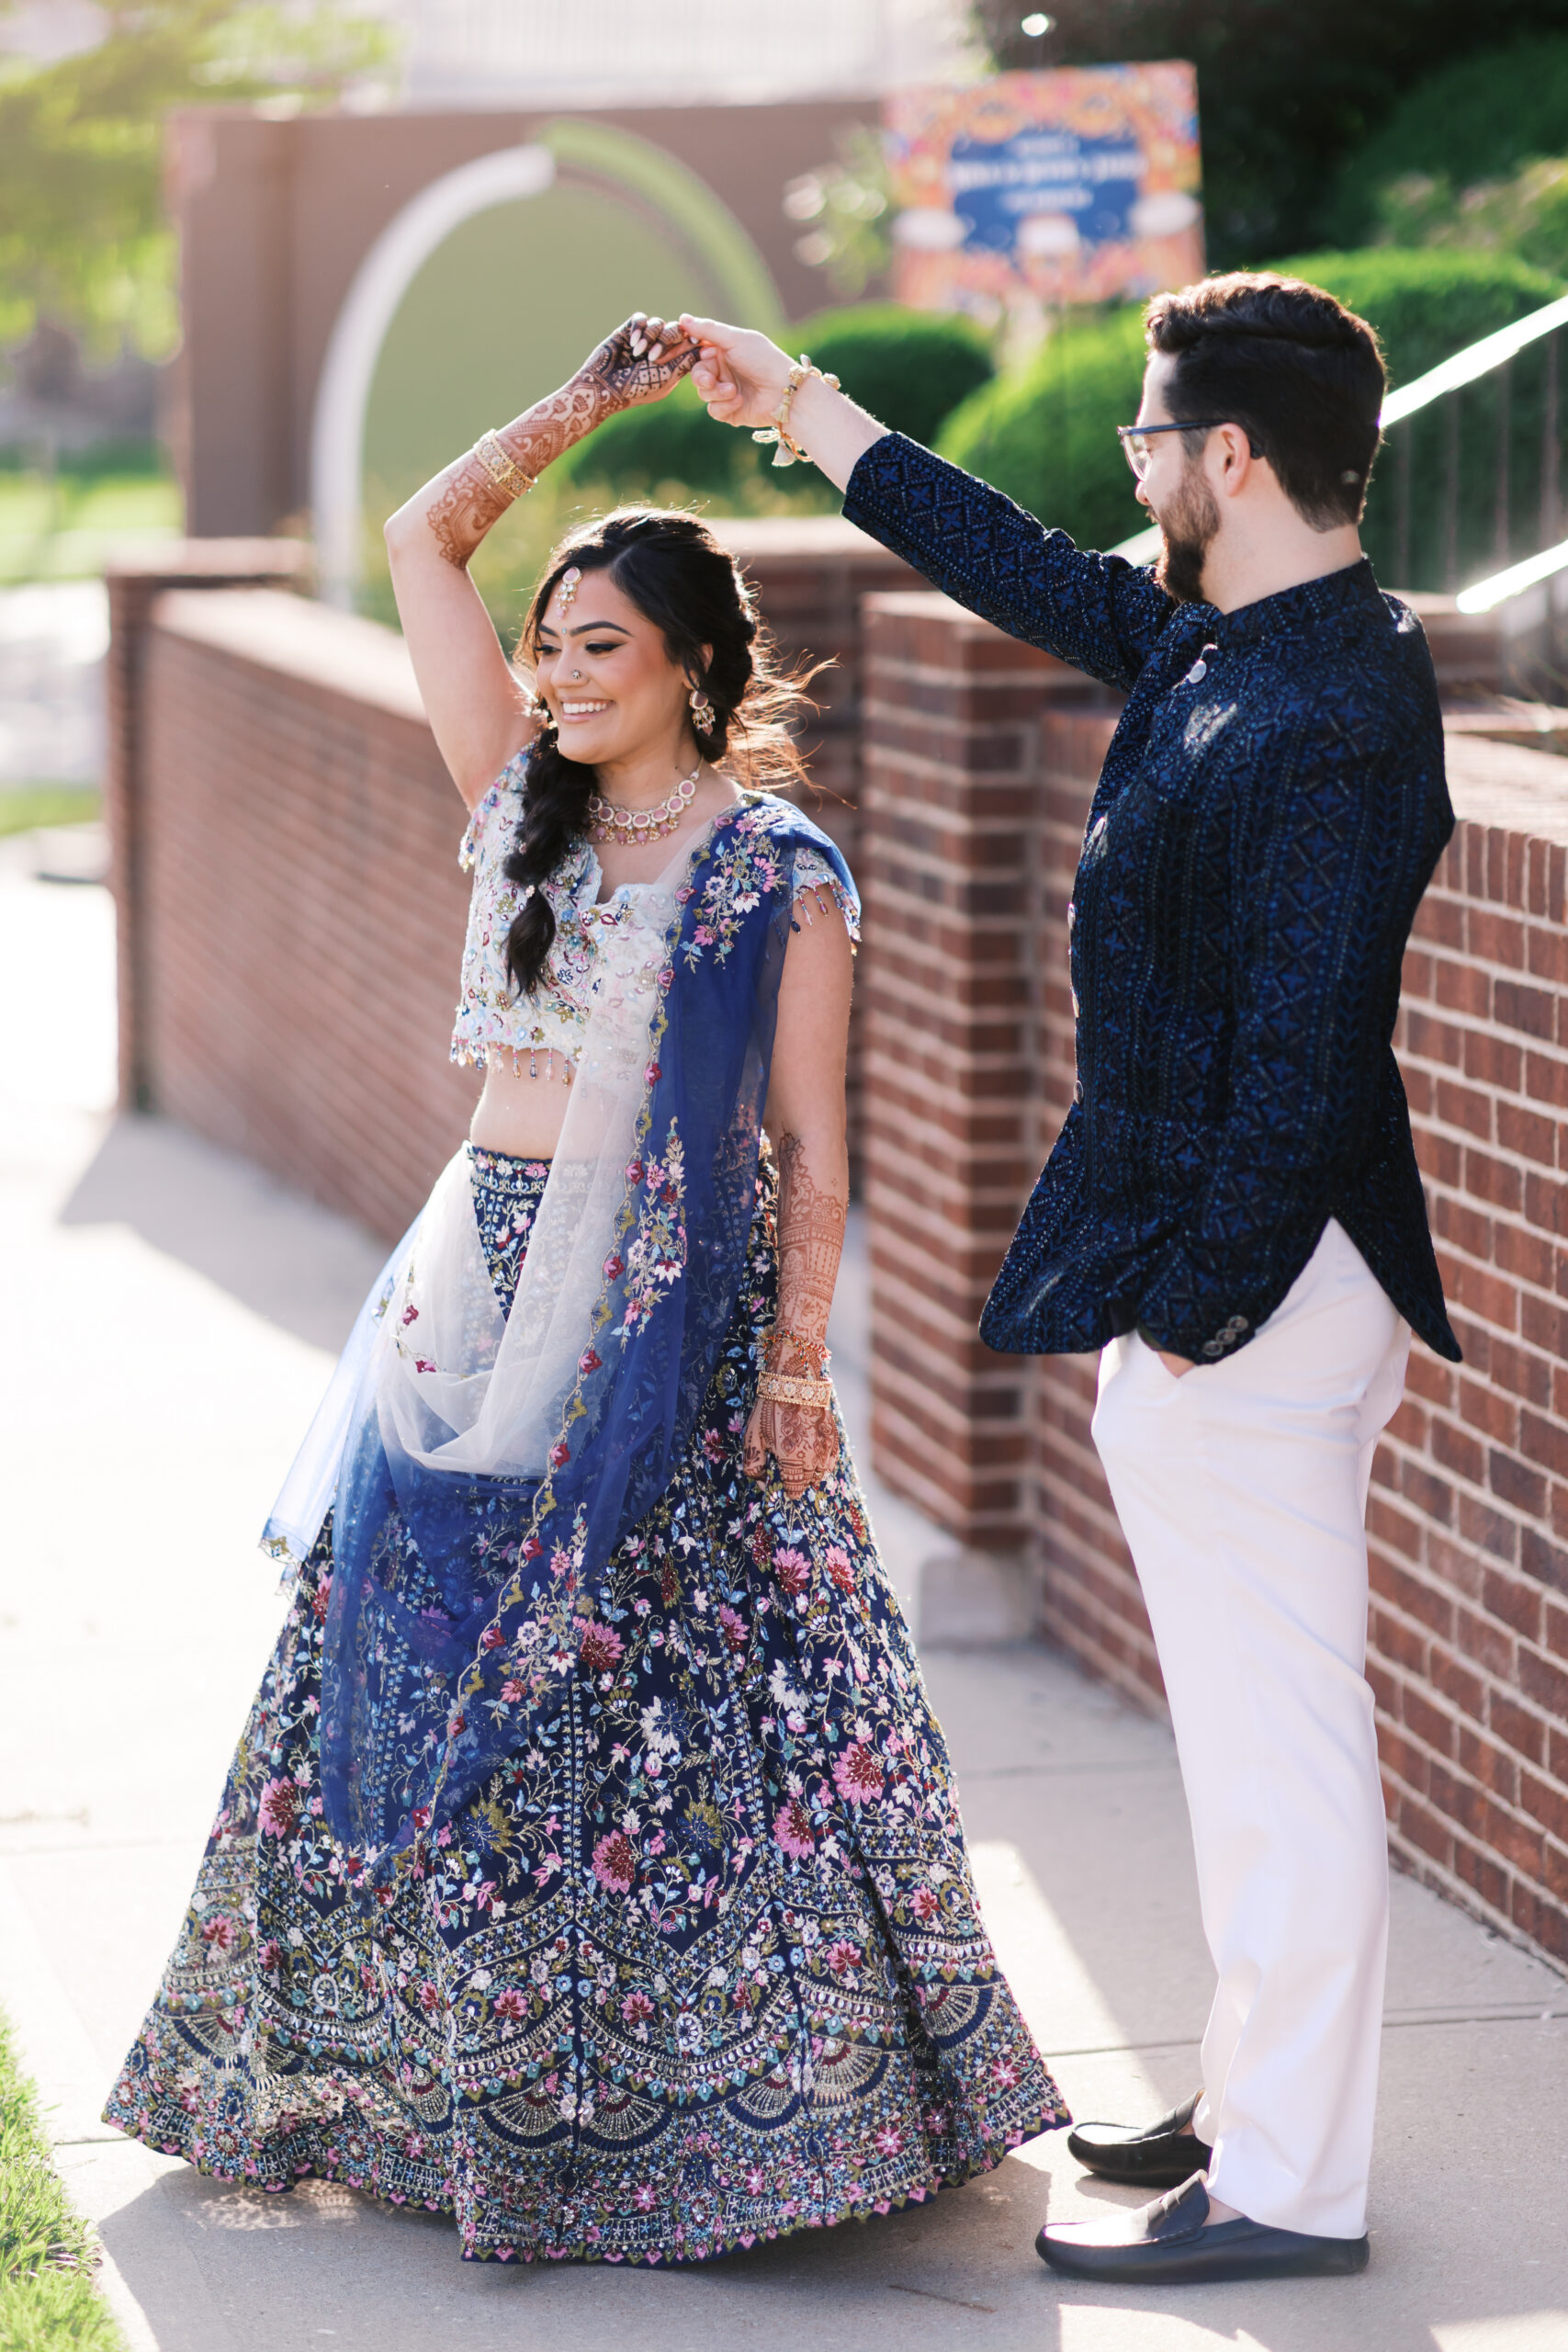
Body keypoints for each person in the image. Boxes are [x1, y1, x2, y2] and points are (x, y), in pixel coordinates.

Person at [101, 316, 1066, 2265]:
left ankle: (733, 2122)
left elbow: (809, 1141)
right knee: (413, 1676)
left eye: (596, 644)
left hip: (671, 1325)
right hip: (475, 1294)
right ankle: (421, 2085)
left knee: (673, 1709)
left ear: (696, 667)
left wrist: (796, 1363)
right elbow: (414, 534)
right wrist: (594, 403)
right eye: (544, 641)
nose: (549, 673)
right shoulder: (508, 805)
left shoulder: (772, 874)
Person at [679, 274, 1458, 2286]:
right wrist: (810, 413)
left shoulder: (1332, 711)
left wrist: (1190, 1319)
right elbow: (1016, 564)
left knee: (1281, 1749)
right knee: (1244, 1732)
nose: (1126, 474)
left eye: (1142, 439)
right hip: (1241, 1291)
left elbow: (1298, 1063)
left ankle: (1290, 2185)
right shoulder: (1242, 641)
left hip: (1263, 1299)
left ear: (1227, 454)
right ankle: (1252, 2100)